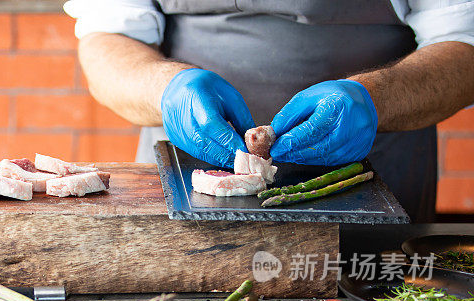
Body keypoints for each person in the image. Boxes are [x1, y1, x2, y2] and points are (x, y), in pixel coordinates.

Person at [64, 0, 474, 221]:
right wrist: (168, 89)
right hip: (188, 174)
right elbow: (107, 39)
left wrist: (375, 98)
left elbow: (464, 44)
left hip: (370, 169)